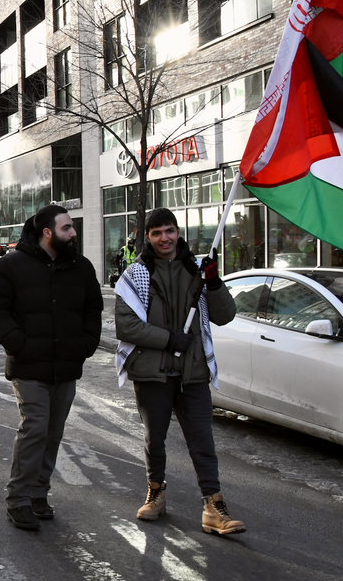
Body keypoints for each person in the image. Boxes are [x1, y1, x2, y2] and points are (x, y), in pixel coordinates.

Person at [114, 208, 243, 535]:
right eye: (156, 233)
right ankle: (156, 493)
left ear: (178, 232)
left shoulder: (197, 270)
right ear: (148, 237)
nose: (164, 238)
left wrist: (213, 283)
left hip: (193, 373)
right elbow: (125, 325)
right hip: (152, 373)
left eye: (169, 231)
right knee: (154, 438)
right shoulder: (136, 274)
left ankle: (214, 506)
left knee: (203, 440)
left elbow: (225, 315)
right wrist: (169, 338)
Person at [0, 204, 102, 531]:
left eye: (73, 227)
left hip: (66, 366)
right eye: (66, 228)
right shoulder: (13, 265)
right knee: (35, 427)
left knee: (53, 432)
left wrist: (87, 343)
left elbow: (93, 309)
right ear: (47, 232)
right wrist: (18, 343)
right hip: (28, 366)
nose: (73, 233)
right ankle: (18, 499)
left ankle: (38, 494)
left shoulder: (81, 268)